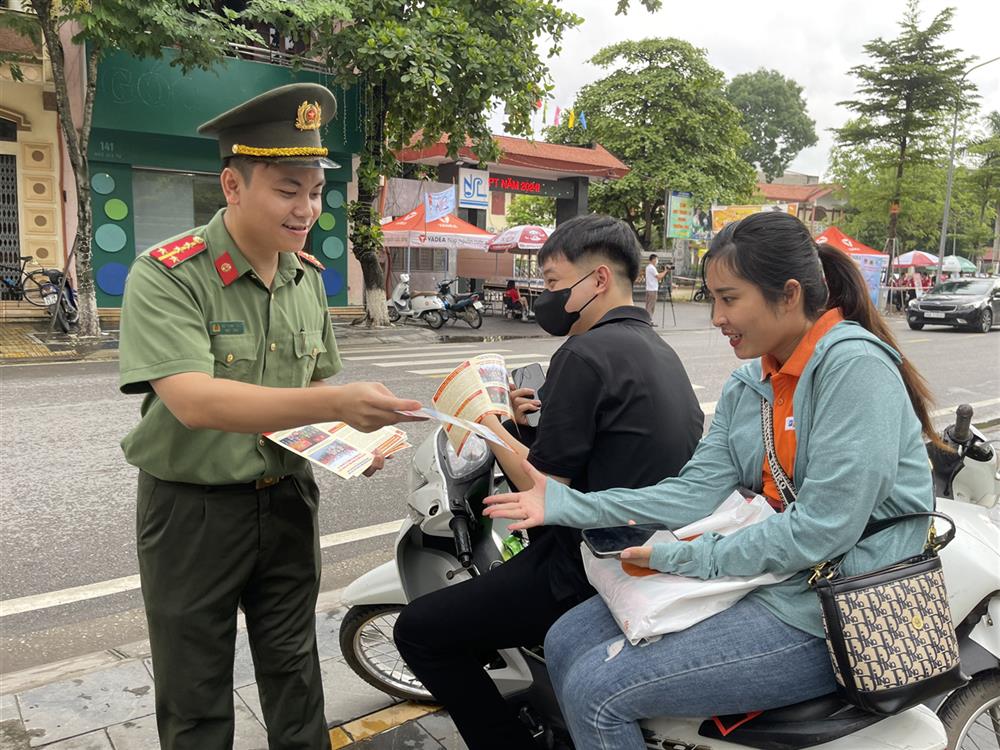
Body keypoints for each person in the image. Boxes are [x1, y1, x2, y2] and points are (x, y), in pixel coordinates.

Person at [483, 211, 940, 749]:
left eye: (729, 298)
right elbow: (691, 491)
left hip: (836, 607)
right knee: (563, 638)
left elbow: (822, 530)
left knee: (597, 691)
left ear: (788, 295)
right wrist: (563, 504)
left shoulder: (854, 369)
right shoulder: (753, 380)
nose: (717, 318)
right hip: (771, 577)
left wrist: (680, 558)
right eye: (712, 299)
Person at [117, 84, 423, 750]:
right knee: (194, 689)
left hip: (286, 501)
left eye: (315, 191)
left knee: (294, 671)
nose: (308, 208)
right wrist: (335, 404)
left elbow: (310, 386)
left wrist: (347, 441)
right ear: (232, 183)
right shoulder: (168, 275)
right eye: (289, 190)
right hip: (191, 514)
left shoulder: (306, 278)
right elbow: (196, 401)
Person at [393, 214, 704, 749]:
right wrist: (519, 420)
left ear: (599, 280)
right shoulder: (653, 348)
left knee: (418, 632)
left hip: (585, 562)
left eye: (555, 284)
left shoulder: (583, 354)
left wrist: (482, 421)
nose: (545, 296)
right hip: (649, 544)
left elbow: (544, 489)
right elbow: (597, 447)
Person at [644, 253, 668, 319]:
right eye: (657, 259)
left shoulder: (648, 267)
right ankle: (649, 320)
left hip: (649, 289)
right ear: (653, 259)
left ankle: (647, 319)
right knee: (651, 306)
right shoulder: (652, 268)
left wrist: (663, 272)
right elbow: (659, 277)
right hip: (652, 290)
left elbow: (657, 275)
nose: (657, 261)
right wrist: (665, 271)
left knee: (648, 305)